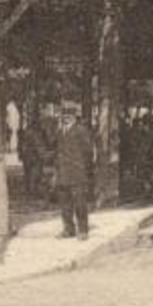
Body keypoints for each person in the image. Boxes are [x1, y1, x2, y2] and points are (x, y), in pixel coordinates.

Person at [54, 102, 95, 240]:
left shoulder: (81, 130)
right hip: (63, 172)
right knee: (65, 203)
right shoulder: (60, 131)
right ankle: (68, 229)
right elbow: (58, 151)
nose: (66, 117)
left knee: (79, 202)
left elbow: (88, 152)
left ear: (74, 116)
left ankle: (83, 230)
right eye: (64, 115)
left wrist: (85, 169)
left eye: (69, 115)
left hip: (78, 172)